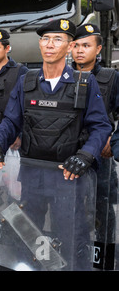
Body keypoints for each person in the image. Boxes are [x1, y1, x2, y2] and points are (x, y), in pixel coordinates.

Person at [0, 19, 112, 270]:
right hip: (31, 176)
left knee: (70, 235)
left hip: (68, 177)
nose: (49, 45)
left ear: (69, 46)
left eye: (57, 39)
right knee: (28, 232)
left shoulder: (84, 84)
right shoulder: (26, 81)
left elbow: (101, 126)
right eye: (45, 39)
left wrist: (86, 155)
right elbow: (11, 120)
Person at [71, 23, 119, 268]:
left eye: (86, 46)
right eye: (76, 45)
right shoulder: (63, 75)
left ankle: (103, 257)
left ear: (98, 48)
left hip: (100, 154)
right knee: (70, 208)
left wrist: (113, 137)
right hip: (70, 153)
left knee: (101, 209)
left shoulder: (111, 77)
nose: (80, 51)